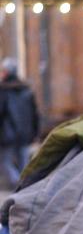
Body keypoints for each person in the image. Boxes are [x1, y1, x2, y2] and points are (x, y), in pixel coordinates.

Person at [0, 58, 39, 188]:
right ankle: (23, 187)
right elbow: (35, 114)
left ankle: (18, 185)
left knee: (4, 162)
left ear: (7, 72)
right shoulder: (26, 90)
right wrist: (35, 132)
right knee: (24, 164)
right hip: (24, 134)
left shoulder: (3, 91)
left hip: (7, 135)